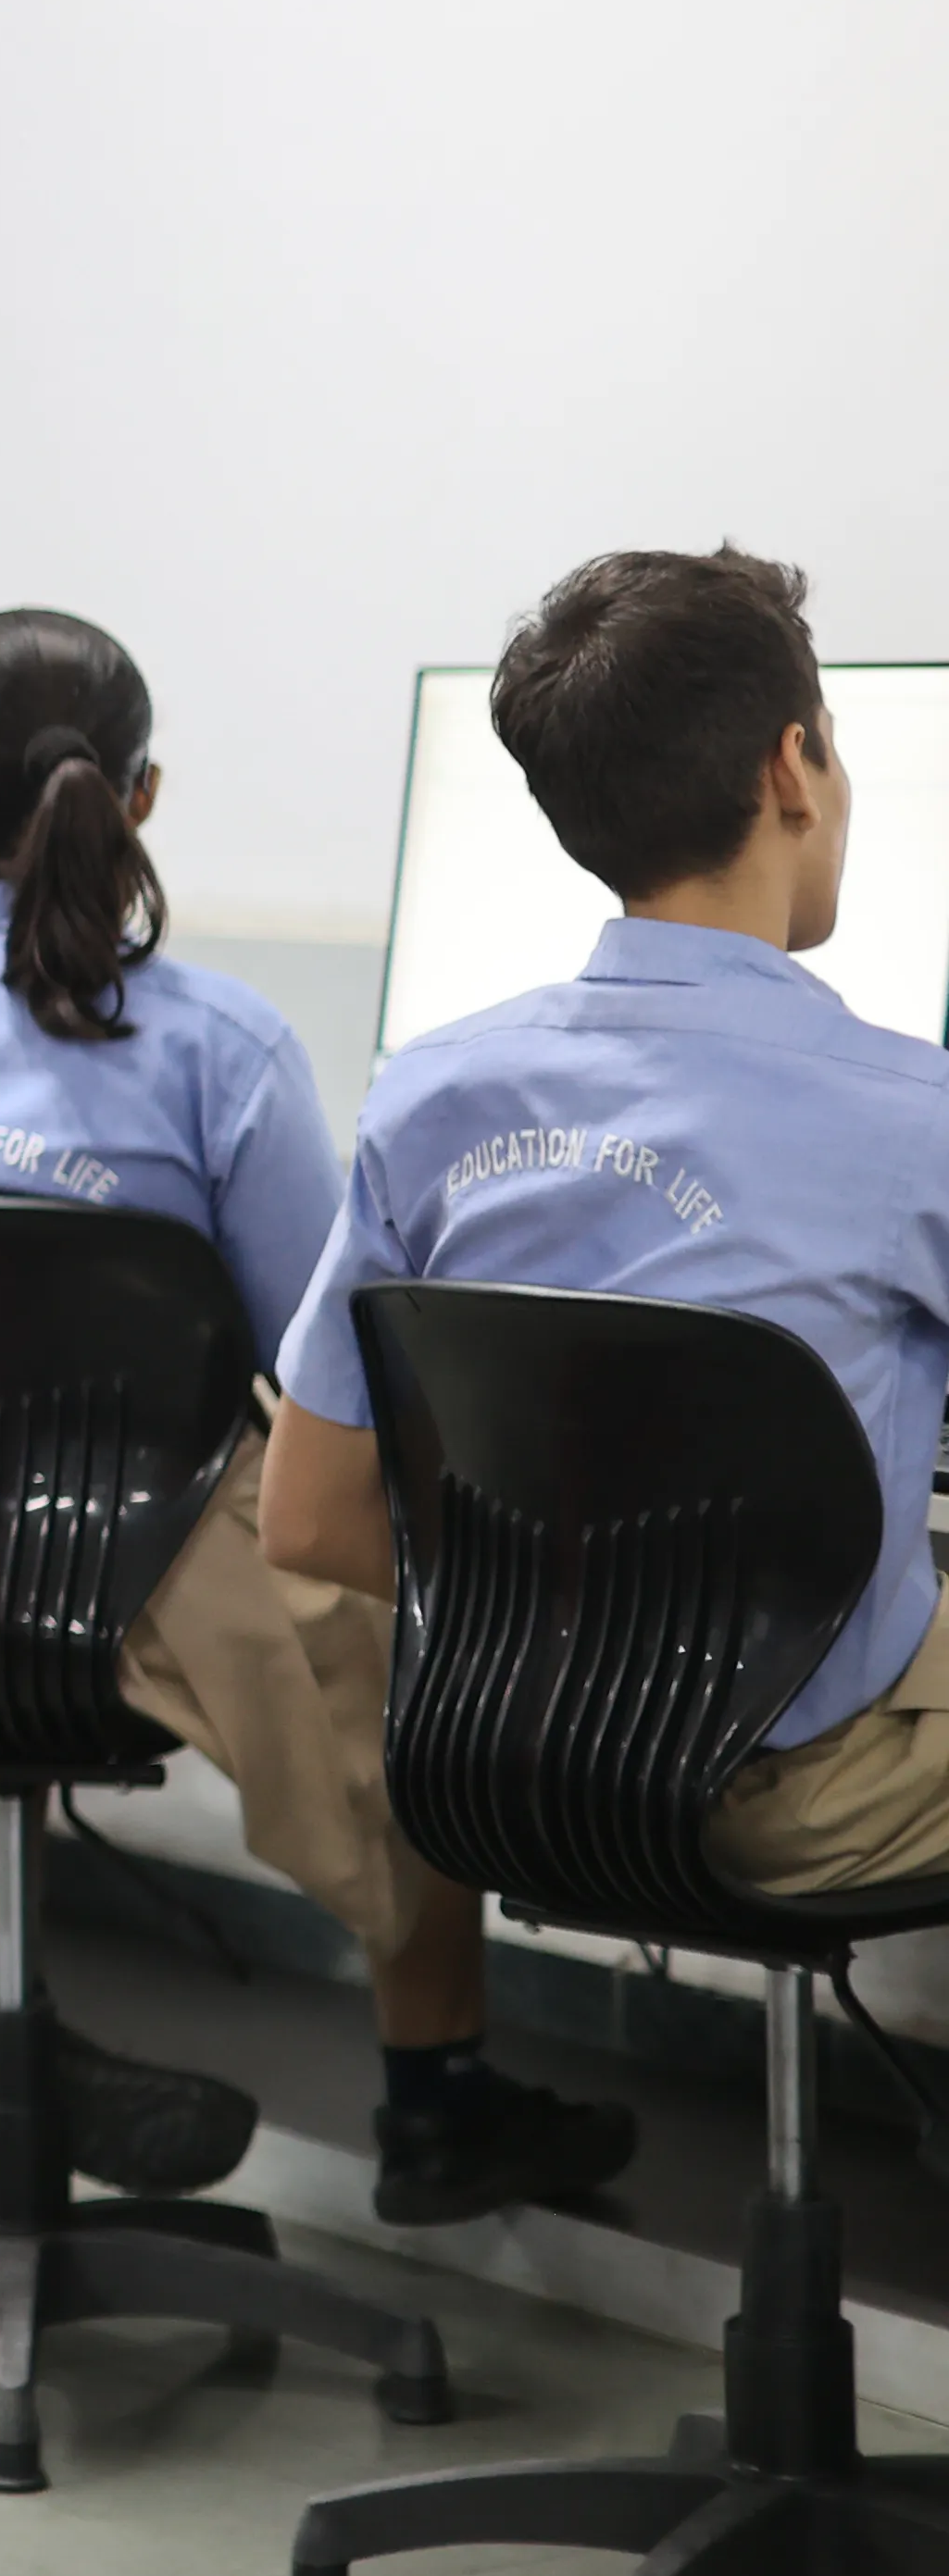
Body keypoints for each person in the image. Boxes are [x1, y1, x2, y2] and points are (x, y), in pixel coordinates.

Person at [0, 610, 634, 2226]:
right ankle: (435, 2097)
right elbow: (339, 1373)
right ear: (139, 797)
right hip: (129, 1587)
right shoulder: (217, 1049)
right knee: (415, 1603)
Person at [269, 549, 949, 1927]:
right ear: (793, 768)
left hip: (516, 1753)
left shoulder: (429, 1094)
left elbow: (307, 1514)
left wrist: (596, 1618)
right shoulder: (912, 1117)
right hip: (794, 1803)